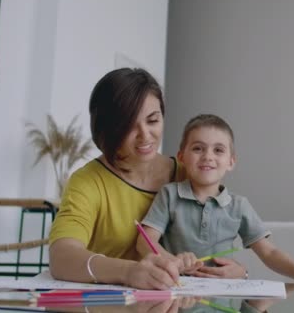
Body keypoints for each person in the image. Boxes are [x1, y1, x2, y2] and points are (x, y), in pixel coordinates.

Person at [48, 68, 246, 289]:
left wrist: (239, 271)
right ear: (107, 129)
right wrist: (128, 271)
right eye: (129, 126)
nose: (145, 135)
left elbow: (216, 241)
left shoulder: (188, 172)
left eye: (153, 120)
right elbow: (61, 257)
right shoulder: (88, 182)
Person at [136, 114, 294, 292]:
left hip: (223, 296)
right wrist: (172, 262)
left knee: (259, 299)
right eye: (197, 148)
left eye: (218, 150)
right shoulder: (169, 194)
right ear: (181, 157)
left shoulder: (239, 205)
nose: (208, 156)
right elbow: (145, 241)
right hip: (176, 295)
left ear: (231, 162)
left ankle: (256, 304)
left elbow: (269, 252)